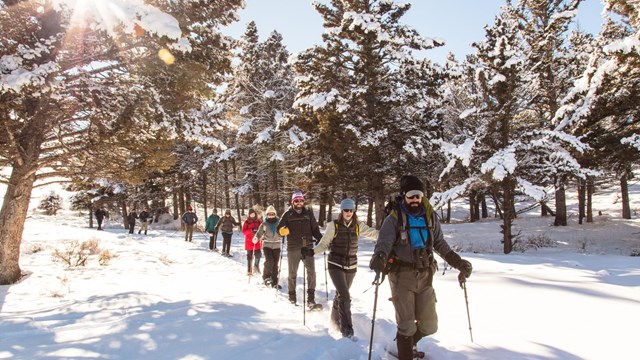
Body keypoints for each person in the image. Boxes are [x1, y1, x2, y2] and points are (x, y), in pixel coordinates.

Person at [369, 175, 473, 360]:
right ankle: (406, 351)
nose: (415, 199)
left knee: (429, 325)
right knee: (407, 325)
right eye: (411, 195)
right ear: (404, 196)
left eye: (418, 195)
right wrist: (379, 258)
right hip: (402, 275)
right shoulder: (394, 218)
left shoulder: (430, 215)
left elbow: (440, 243)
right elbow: (384, 242)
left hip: (426, 275)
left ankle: (405, 344)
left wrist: (458, 262)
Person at [303, 198, 378, 338]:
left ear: (354, 211)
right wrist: (312, 252)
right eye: (346, 210)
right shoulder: (334, 225)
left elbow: (373, 233)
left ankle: (334, 322)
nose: (348, 213)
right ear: (342, 211)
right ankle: (347, 330)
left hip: (351, 266)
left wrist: (389, 235)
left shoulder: (358, 225)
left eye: (351, 210)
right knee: (345, 296)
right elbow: (324, 243)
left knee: (340, 295)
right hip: (335, 265)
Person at [277, 190, 323, 307]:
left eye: (301, 200)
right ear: (293, 202)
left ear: (303, 201)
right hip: (293, 247)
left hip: (307, 246)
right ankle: (292, 297)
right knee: (292, 273)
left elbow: (315, 229)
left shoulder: (308, 213)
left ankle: (310, 299)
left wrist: (320, 239)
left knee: (311, 272)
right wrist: (282, 231)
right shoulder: (287, 214)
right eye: (296, 201)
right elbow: (279, 229)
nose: (299, 202)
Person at [253, 205, 281, 288]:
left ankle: (275, 280)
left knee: (275, 263)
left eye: (273, 214)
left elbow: (283, 232)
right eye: (269, 214)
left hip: (277, 245)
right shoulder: (264, 224)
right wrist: (256, 238)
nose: (271, 215)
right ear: (267, 215)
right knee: (270, 261)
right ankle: (266, 277)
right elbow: (259, 233)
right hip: (267, 245)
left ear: (275, 214)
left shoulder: (279, 223)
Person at [242, 209, 262, 275]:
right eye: (251, 214)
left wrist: (258, 232)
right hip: (249, 241)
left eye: (253, 214)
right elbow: (244, 232)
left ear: (255, 214)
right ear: (249, 215)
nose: (252, 215)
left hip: (257, 240)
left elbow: (262, 229)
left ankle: (256, 267)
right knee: (249, 256)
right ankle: (249, 269)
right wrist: (251, 230)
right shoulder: (247, 222)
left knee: (258, 254)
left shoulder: (259, 222)